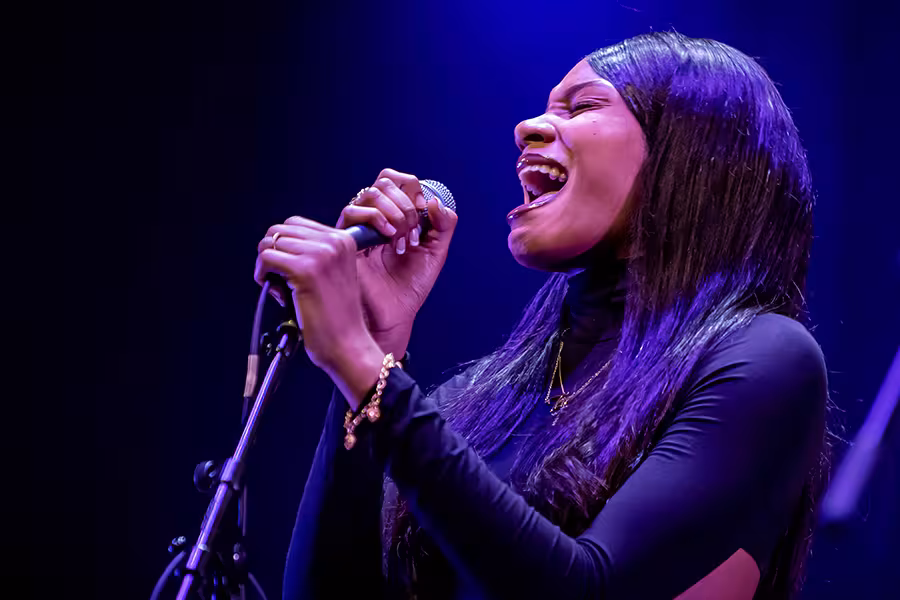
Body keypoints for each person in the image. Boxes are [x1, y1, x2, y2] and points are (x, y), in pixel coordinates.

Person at [257, 32, 829, 599]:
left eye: (583, 105)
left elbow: (585, 586)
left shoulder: (763, 359)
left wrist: (361, 366)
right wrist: (373, 347)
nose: (526, 128)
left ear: (693, 155)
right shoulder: (478, 399)